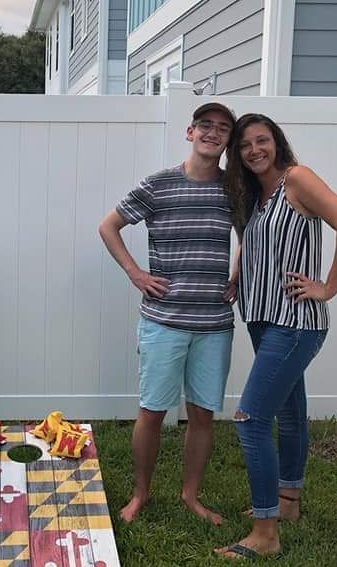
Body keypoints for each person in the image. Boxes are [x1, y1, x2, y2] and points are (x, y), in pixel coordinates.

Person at [217, 113, 337, 559]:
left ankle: (265, 535)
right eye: (245, 145)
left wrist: (328, 287)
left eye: (261, 140)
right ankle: (288, 502)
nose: (254, 150)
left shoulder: (297, 180)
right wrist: (238, 272)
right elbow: (253, 241)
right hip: (262, 318)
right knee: (290, 413)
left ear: (276, 142)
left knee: (250, 420)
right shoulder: (256, 196)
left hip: (295, 323)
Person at [98, 102, 239, 525]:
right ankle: (140, 494)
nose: (212, 133)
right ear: (190, 132)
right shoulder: (158, 185)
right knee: (153, 411)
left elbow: (250, 235)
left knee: (202, 415)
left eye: (222, 128)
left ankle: (190, 496)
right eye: (205, 125)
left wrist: (237, 274)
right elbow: (108, 226)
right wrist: (135, 273)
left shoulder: (234, 189)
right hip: (163, 321)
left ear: (228, 140)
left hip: (214, 325)